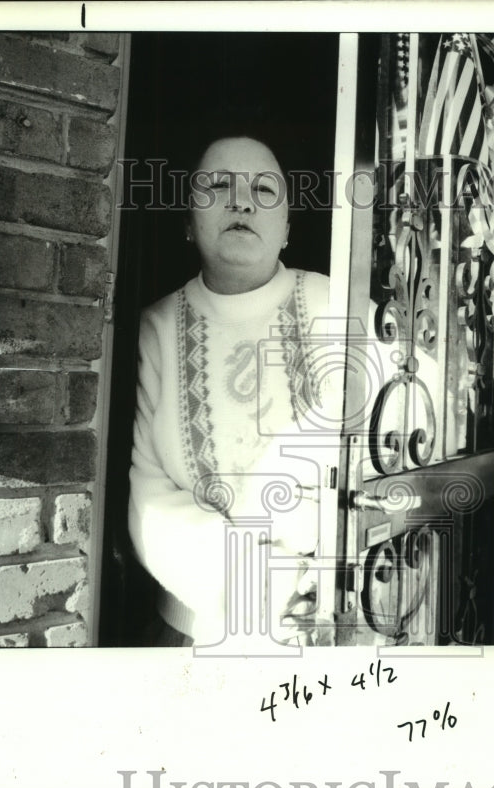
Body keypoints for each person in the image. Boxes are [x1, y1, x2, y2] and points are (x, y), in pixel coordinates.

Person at [127, 135, 332, 647]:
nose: (242, 201)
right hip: (195, 628)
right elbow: (150, 500)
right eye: (218, 185)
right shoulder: (155, 329)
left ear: (287, 227)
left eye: (265, 190)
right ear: (187, 224)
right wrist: (262, 585)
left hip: (322, 624)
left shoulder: (340, 303)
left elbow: (400, 450)